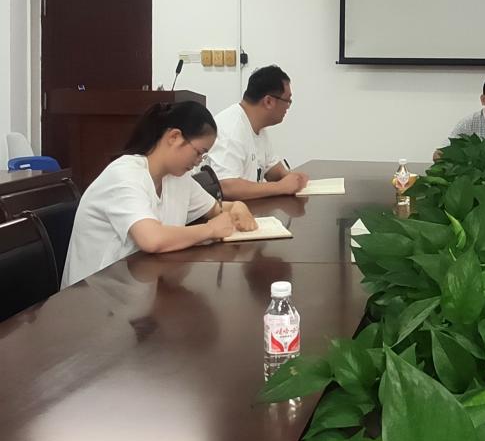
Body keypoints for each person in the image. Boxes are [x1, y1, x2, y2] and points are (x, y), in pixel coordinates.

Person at [64, 101, 257, 288]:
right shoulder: (125, 175)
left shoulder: (177, 178)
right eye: (199, 152)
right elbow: (151, 239)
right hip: (95, 295)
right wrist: (210, 230)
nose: (199, 161)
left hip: (139, 286)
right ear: (174, 137)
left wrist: (236, 206)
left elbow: (216, 208)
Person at [206, 65, 309, 199]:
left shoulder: (257, 126)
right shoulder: (231, 128)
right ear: (268, 101)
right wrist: (281, 186)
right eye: (287, 100)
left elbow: (272, 169)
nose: (288, 107)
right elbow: (227, 187)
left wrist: (291, 178)